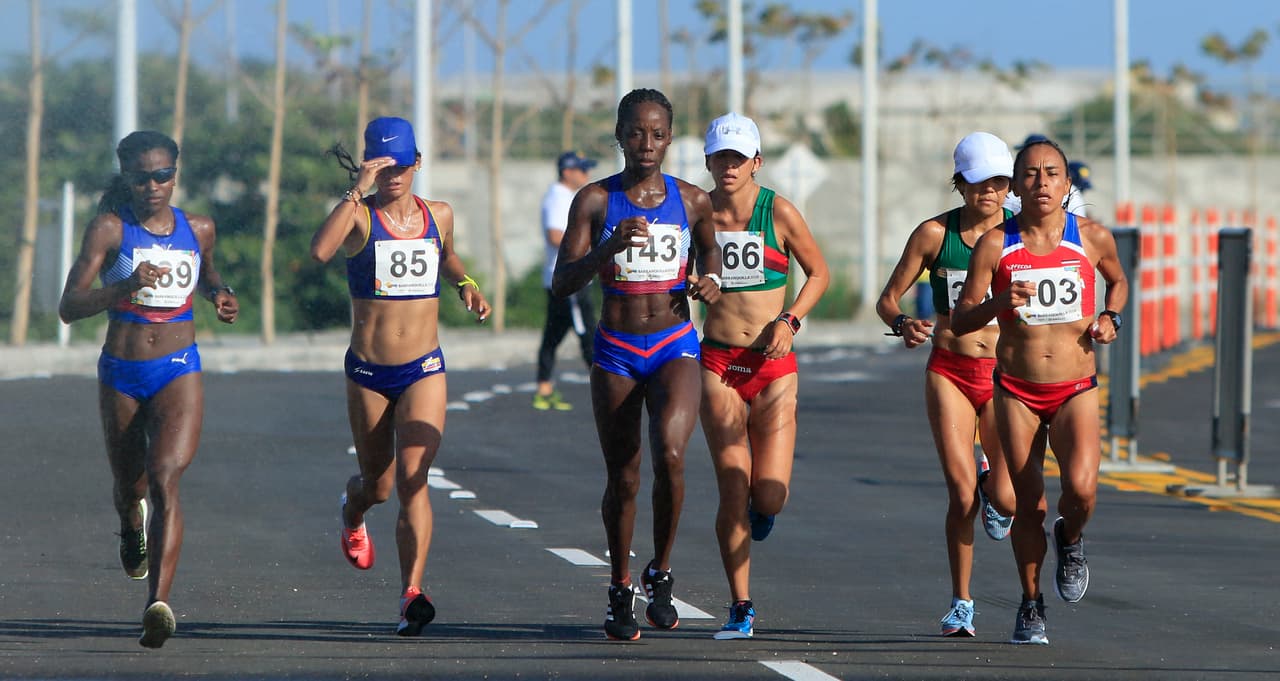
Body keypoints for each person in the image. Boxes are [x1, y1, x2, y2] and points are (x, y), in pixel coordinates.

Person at [551, 88, 721, 641]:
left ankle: (660, 572)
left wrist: (710, 280)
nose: (646, 143)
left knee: (671, 454)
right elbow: (562, 282)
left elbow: (711, 251)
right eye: (636, 133)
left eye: (657, 134)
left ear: (670, 139)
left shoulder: (693, 200)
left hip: (674, 344)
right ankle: (620, 587)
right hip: (617, 351)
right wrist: (608, 248)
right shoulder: (595, 201)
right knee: (624, 475)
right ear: (620, 137)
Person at [59, 130, 239, 649]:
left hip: (179, 368)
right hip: (122, 371)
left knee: (165, 478)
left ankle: (157, 604)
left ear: (175, 176)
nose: (153, 186)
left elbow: (208, 274)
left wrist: (220, 294)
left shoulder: (198, 227)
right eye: (142, 178)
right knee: (130, 487)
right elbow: (69, 306)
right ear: (127, 178)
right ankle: (129, 524)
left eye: (163, 175)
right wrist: (127, 285)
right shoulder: (109, 230)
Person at [311, 116, 490, 636]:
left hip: (423, 368)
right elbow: (320, 251)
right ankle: (352, 512)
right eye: (383, 167)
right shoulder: (359, 217)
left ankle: (412, 593)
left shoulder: (439, 214)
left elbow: (448, 257)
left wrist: (466, 283)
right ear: (370, 165)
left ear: (418, 163)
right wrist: (357, 189)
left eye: (402, 166)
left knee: (414, 478)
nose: (394, 176)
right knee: (379, 486)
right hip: (369, 372)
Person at [951, 136, 1128, 646]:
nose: (1041, 182)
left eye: (1052, 173)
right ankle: (1031, 603)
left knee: (1082, 490)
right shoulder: (995, 244)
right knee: (1028, 503)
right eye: (1030, 173)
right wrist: (999, 302)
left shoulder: (1091, 237)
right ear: (1016, 185)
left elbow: (1118, 282)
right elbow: (962, 318)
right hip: (1016, 390)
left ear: (1067, 183)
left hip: (1075, 387)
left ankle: (1070, 538)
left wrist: (1111, 318)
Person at [875, 131, 1018, 638]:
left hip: (1004, 375)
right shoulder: (935, 234)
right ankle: (962, 602)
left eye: (999, 182)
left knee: (1009, 500)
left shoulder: (1020, 236)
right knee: (961, 497)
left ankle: (992, 480)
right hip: (951, 371)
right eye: (978, 183)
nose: (989, 192)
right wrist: (902, 324)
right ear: (959, 184)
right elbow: (888, 299)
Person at [697, 112, 829, 640]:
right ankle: (740, 605)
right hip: (719, 365)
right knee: (733, 488)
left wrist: (789, 320)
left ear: (756, 161)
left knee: (768, 495)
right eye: (720, 157)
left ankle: (763, 509)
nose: (728, 167)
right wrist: (692, 284)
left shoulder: (779, 211)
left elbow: (819, 272)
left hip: (773, 368)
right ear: (708, 161)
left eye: (738, 158)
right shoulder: (696, 212)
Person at [533, 151, 599, 411]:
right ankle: (604, 388)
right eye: (582, 169)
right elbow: (554, 235)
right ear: (567, 172)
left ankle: (544, 388)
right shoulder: (559, 197)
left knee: (554, 334)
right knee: (588, 334)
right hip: (569, 280)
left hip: (567, 278)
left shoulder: (566, 196)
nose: (587, 174)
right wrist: (589, 248)